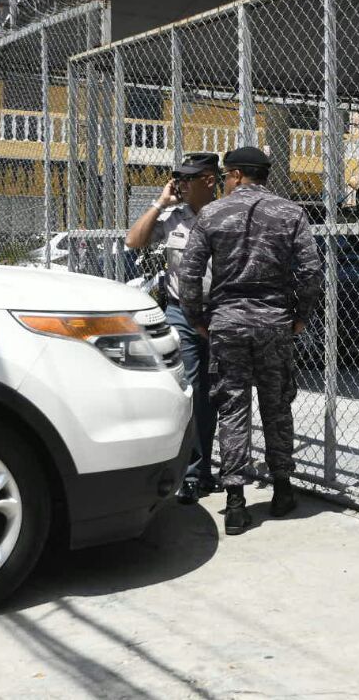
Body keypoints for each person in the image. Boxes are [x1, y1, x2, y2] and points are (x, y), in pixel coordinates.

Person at [178, 146, 322, 536]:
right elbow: (311, 271)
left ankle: (236, 501)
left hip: (227, 323)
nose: (225, 181)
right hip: (274, 321)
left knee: (233, 407)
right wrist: (301, 317)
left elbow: (188, 274)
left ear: (238, 174)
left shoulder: (211, 214)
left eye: (226, 175)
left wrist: (197, 319)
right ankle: (282, 490)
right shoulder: (291, 213)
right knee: (276, 405)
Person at [124, 152, 221, 504]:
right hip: (183, 311)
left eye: (188, 178)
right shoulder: (173, 217)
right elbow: (133, 241)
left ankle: (218, 470)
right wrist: (159, 202)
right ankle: (195, 473)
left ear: (209, 180)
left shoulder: (225, 215)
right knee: (194, 390)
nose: (180, 183)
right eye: (177, 177)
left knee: (223, 393)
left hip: (222, 313)